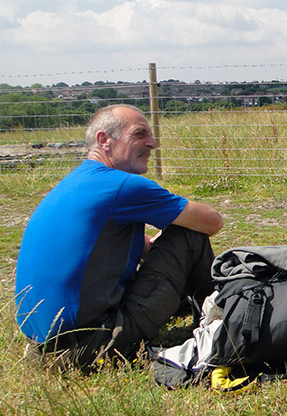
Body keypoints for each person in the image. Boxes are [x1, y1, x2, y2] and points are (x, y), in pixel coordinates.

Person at [15, 104, 223, 367]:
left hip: (44, 349)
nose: (153, 143)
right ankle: (218, 320)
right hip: (94, 345)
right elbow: (212, 222)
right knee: (188, 235)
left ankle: (203, 308)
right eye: (139, 134)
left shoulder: (76, 182)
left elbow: (128, 247)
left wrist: (160, 248)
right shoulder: (122, 185)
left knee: (177, 239)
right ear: (104, 140)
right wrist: (174, 239)